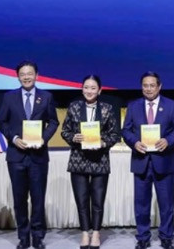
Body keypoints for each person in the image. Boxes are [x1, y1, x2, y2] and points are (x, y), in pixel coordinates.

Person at [0, 61, 59, 249]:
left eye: (30, 73)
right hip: (16, 155)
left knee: (38, 198)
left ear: (37, 75)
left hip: (38, 156)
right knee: (19, 199)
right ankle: (23, 236)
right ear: (18, 76)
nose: (26, 77)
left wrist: (43, 139)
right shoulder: (9, 97)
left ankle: (37, 236)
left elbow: (53, 122)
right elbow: (2, 122)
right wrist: (14, 139)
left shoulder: (46, 97)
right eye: (22, 74)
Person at [122, 72, 174, 249]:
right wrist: (134, 142)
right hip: (141, 161)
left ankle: (166, 237)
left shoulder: (171, 105)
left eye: (152, 85)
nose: (148, 89)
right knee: (141, 204)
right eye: (145, 85)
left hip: (164, 161)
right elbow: (126, 130)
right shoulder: (133, 106)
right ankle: (143, 237)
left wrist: (168, 140)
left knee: (166, 203)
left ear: (159, 86)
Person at [60, 75, 119, 249]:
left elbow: (114, 134)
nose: (89, 91)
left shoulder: (107, 108)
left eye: (93, 88)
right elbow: (65, 131)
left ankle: (96, 233)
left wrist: (103, 143)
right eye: (86, 87)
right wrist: (73, 137)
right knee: (82, 200)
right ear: (82, 89)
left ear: (99, 90)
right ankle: (85, 232)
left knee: (98, 201)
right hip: (78, 159)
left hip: (100, 159)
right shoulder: (74, 107)